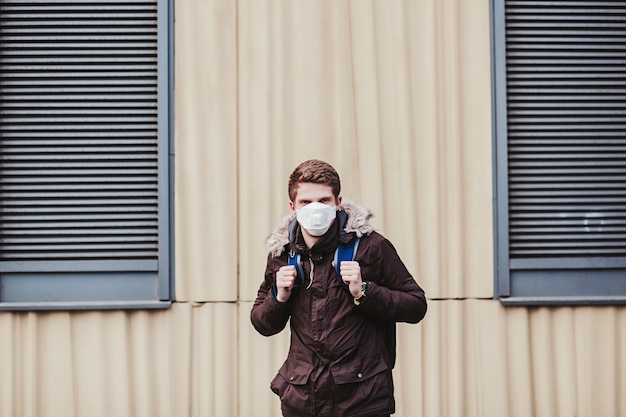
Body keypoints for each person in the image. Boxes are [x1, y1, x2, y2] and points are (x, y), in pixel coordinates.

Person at [250, 159, 427, 417]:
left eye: (324, 201)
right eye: (306, 202)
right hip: (302, 401)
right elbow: (262, 323)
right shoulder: (283, 254)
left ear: (338, 202)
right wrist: (279, 297)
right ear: (293, 207)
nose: (315, 209)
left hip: (362, 402)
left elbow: (416, 305)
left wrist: (365, 291)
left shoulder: (372, 247)